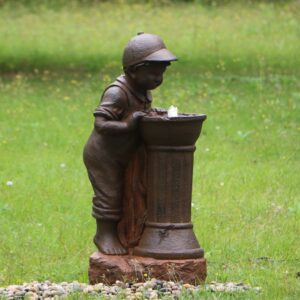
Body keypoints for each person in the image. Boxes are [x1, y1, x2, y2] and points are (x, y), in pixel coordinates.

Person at [83, 33, 177, 255]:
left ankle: (129, 233)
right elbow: (101, 124)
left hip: (124, 153)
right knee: (110, 194)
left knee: (133, 192)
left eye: (162, 71)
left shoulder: (142, 89)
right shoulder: (117, 93)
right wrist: (127, 125)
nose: (158, 78)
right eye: (153, 72)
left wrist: (152, 114)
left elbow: (139, 112)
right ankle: (104, 234)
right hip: (103, 155)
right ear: (133, 70)